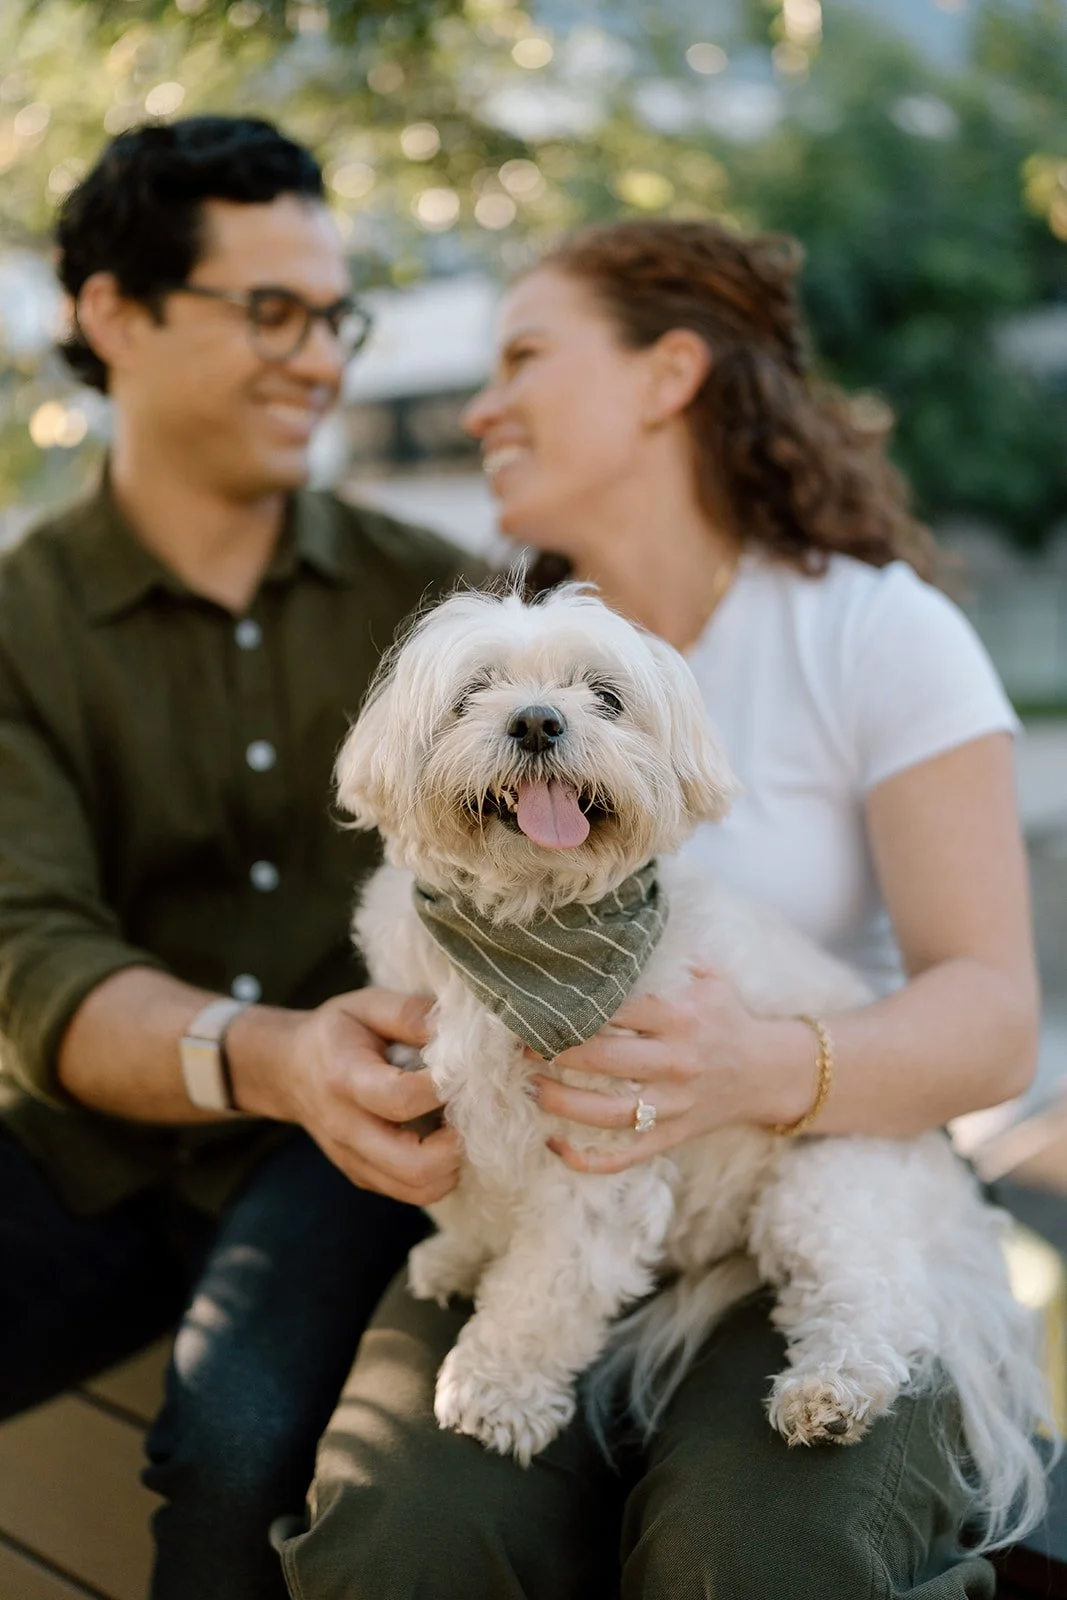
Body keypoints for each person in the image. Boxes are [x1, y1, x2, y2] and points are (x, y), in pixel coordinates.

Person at [280, 221, 1042, 1599]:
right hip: (532, 1205)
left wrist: (757, 1067)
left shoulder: (876, 633)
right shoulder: (492, 645)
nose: (481, 407)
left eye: (523, 357)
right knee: (398, 1539)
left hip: (812, 1169)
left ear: (666, 374)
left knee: (752, 1560)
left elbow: (995, 1022)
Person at [0, 115, 477, 1600]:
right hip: (94, 1143)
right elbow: (31, 956)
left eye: (334, 317)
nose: (318, 360)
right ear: (113, 314)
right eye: (270, 312)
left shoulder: (435, 601)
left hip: (362, 1150)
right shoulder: (19, 620)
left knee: (240, 1447)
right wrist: (269, 1056)